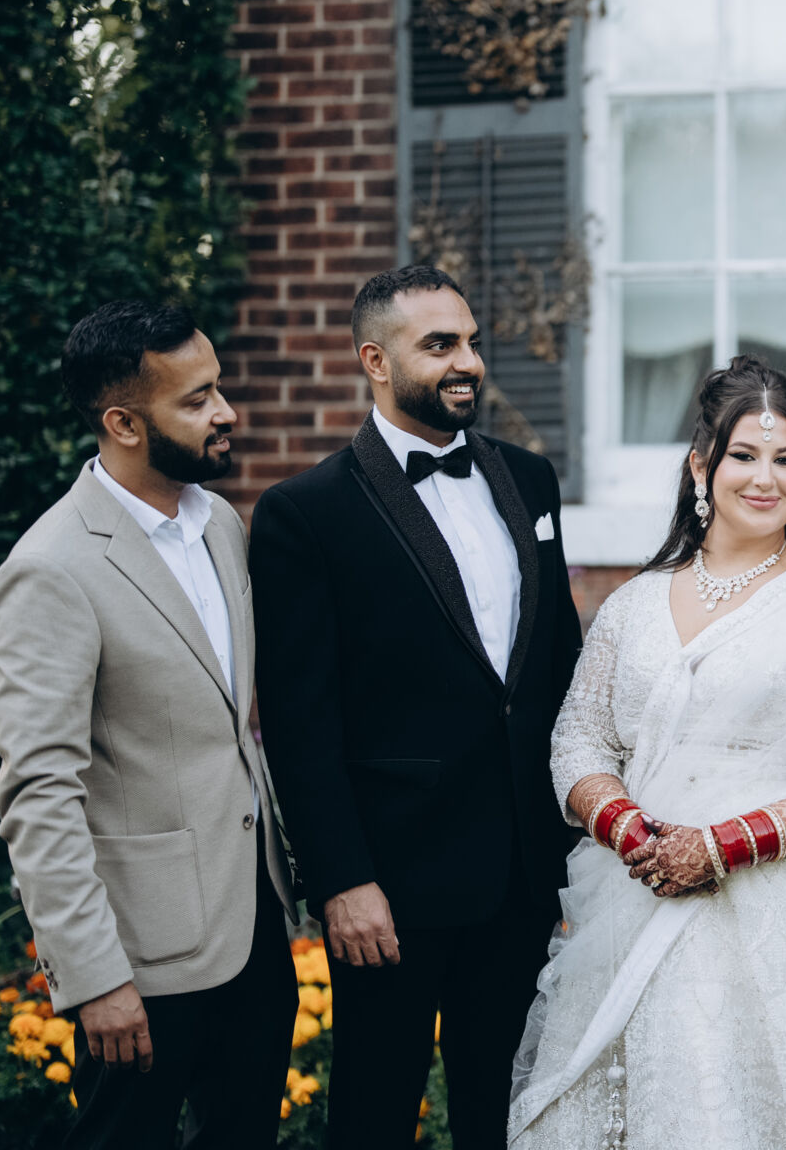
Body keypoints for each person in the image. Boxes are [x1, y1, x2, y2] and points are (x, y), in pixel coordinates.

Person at [509, 357, 786, 1150]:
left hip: (783, 916)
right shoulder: (634, 603)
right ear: (701, 466)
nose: (766, 479)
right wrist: (639, 838)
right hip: (637, 892)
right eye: (744, 455)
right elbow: (578, 740)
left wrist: (717, 847)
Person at [248, 266, 584, 1150]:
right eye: (439, 345)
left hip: (520, 873)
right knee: (375, 1111)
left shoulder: (530, 479)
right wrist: (342, 880)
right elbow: (298, 722)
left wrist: (571, 846)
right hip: (390, 885)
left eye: (470, 340)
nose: (467, 361)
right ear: (375, 360)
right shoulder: (304, 513)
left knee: (506, 1109)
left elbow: (555, 665)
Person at [0, 301, 295, 1148]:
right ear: (123, 423)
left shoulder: (220, 524)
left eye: (218, 388)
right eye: (196, 400)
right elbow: (38, 794)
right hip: (141, 960)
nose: (226, 412)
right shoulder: (51, 569)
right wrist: (94, 977)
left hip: (253, 928)